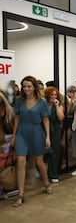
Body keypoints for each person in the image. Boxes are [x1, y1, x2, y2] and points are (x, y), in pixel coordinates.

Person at [10, 76, 52, 207]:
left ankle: (46, 183)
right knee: (21, 161)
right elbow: (17, 118)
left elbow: (45, 120)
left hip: (36, 132)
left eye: (29, 86)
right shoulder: (19, 100)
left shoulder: (42, 102)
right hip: (22, 132)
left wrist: (47, 137)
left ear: (34, 87)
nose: (26, 89)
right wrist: (14, 135)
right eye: (24, 86)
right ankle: (21, 194)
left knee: (39, 161)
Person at [44, 86, 65, 183]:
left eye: (55, 94)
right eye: (52, 94)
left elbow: (61, 118)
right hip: (43, 129)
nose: (54, 96)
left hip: (55, 130)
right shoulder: (43, 104)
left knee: (54, 152)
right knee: (43, 152)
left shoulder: (59, 105)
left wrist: (57, 106)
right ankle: (44, 173)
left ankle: (53, 174)